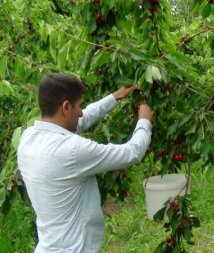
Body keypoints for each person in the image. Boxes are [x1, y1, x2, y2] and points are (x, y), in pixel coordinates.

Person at [17, 73, 155, 252]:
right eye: (80, 106)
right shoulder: (73, 150)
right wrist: (144, 120)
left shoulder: (28, 138)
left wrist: (114, 97)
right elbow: (132, 153)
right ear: (66, 107)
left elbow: (79, 121)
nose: (81, 112)